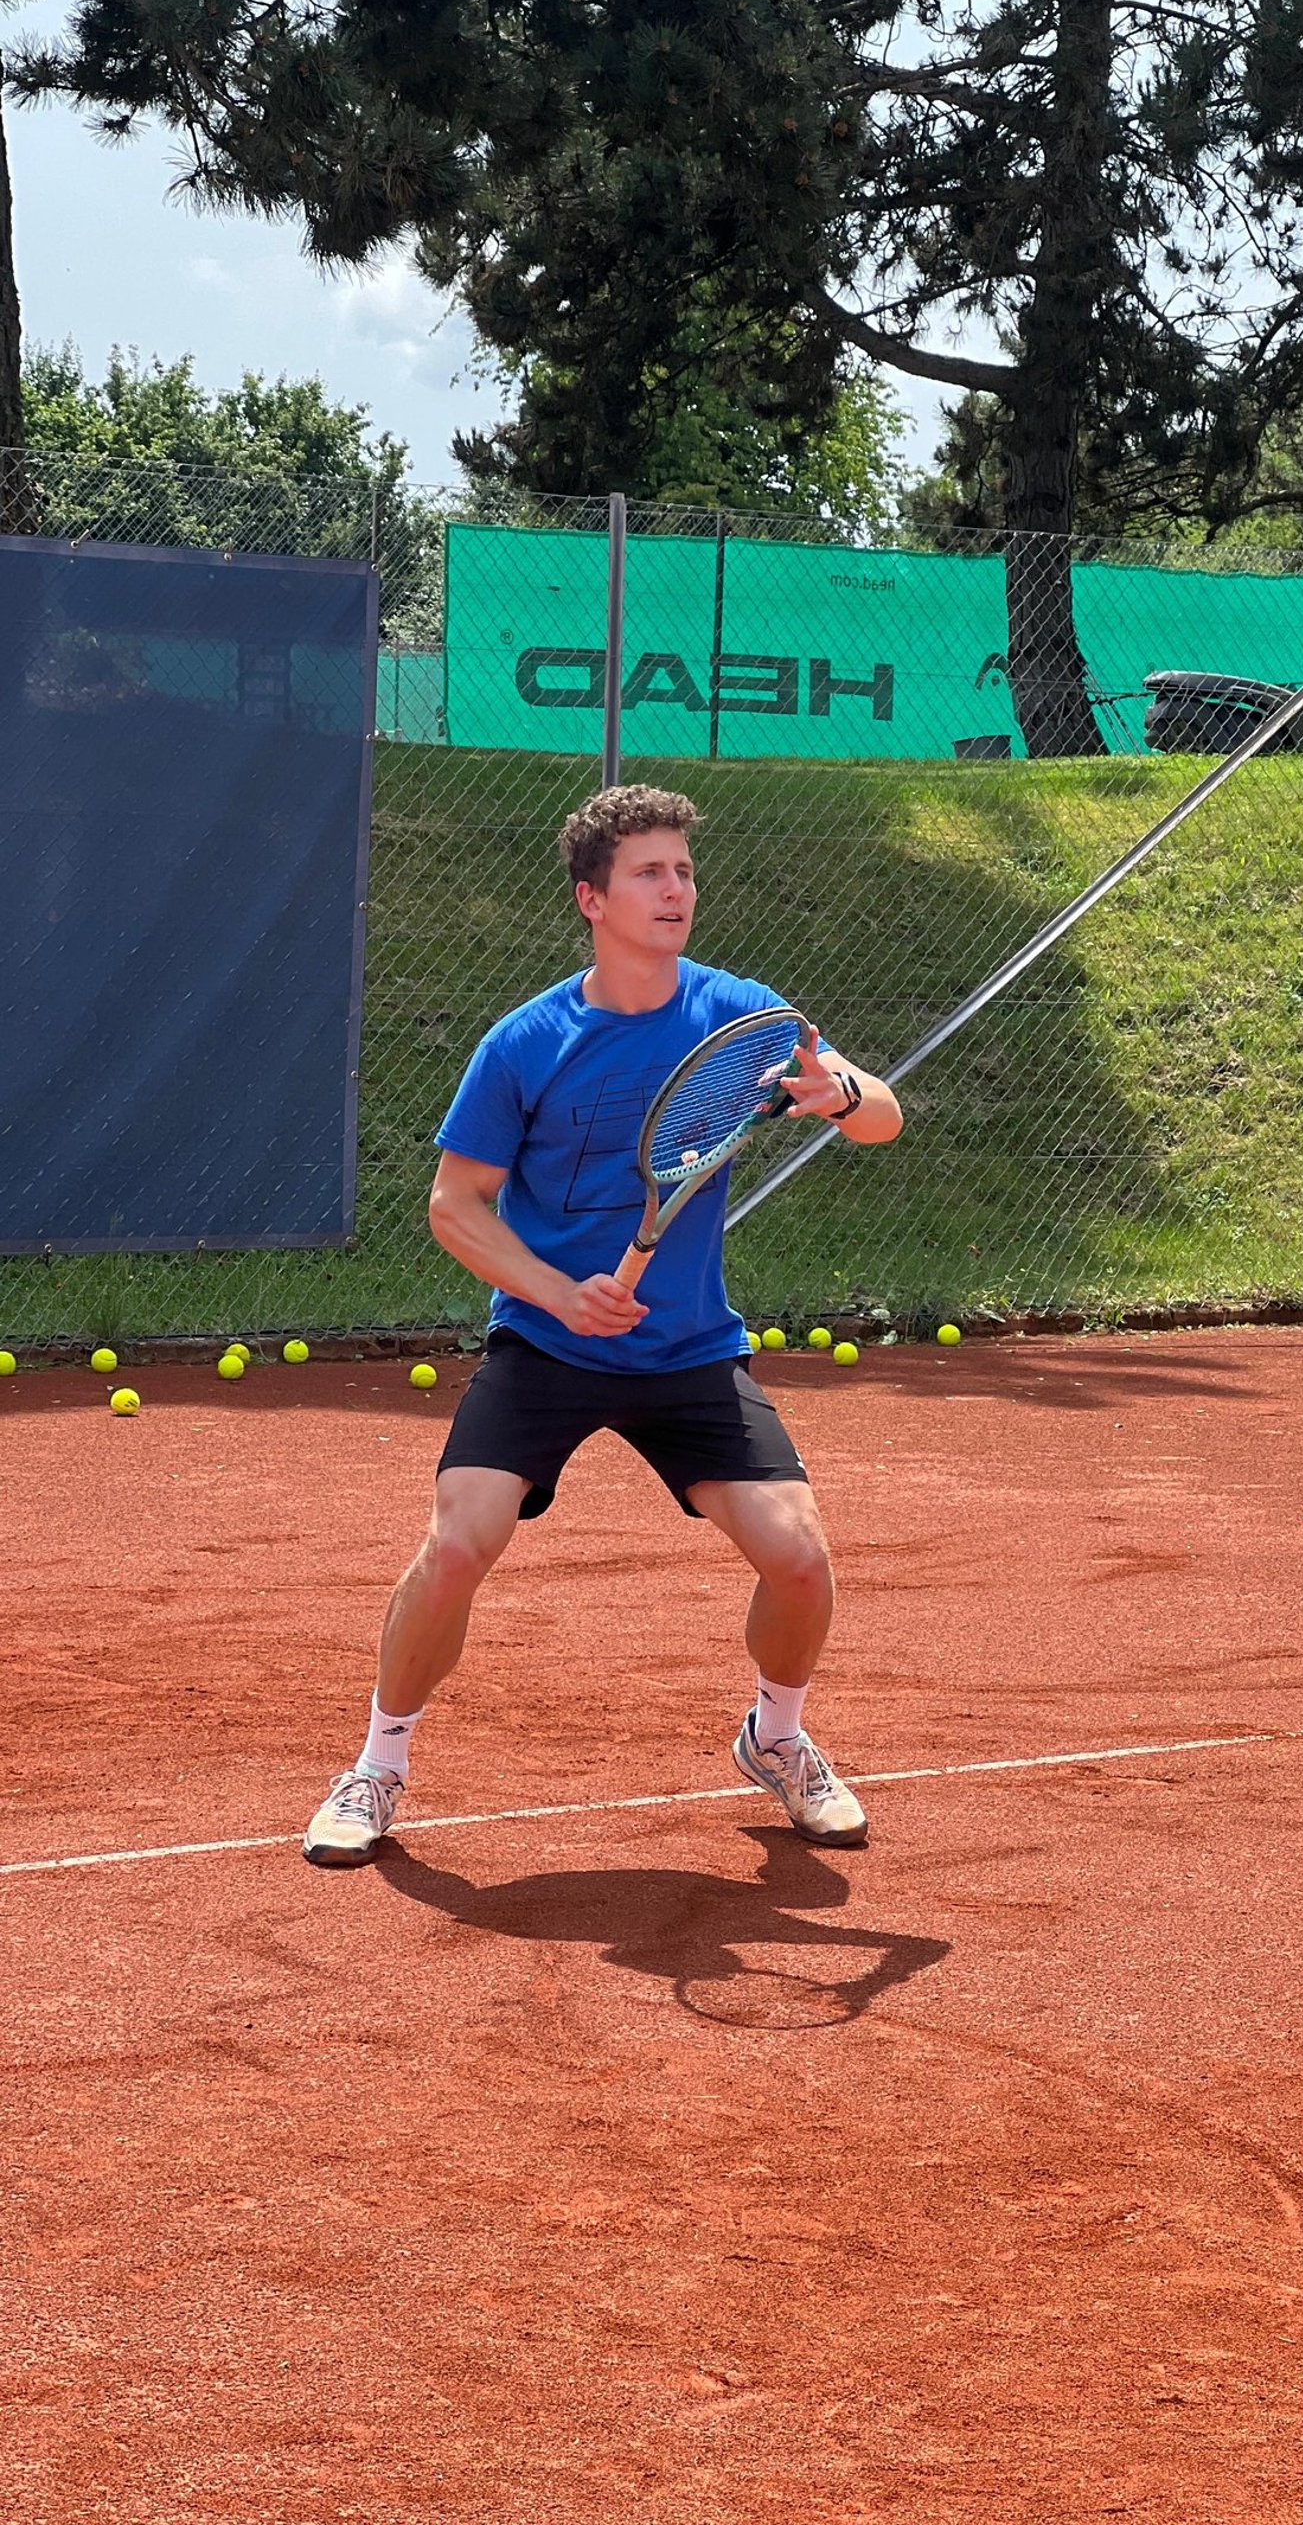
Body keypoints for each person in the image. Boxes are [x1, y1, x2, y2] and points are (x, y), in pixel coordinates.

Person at [301, 783, 903, 1868]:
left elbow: (881, 1112)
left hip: (688, 1350)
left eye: (682, 870)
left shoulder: (742, 1013)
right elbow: (454, 1206)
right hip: (550, 1344)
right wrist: (552, 1292)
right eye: (649, 873)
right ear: (593, 897)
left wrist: (840, 1093)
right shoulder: (527, 1043)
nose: (676, 889)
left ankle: (776, 1738)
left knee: (801, 1557)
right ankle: (377, 1765)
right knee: (456, 1546)